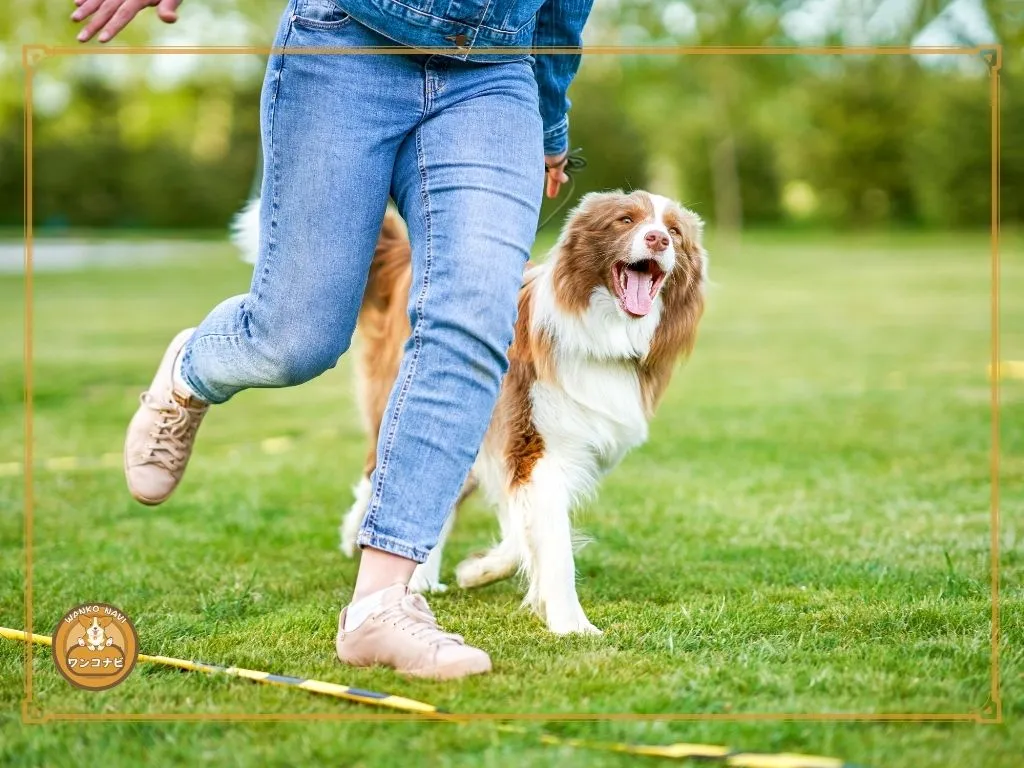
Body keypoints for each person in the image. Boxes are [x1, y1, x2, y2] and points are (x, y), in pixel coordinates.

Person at [72, 0, 595, 679]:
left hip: (493, 78)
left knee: (473, 322)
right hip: (348, 44)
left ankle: (382, 603)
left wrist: (550, 122)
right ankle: (192, 368)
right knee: (296, 337)